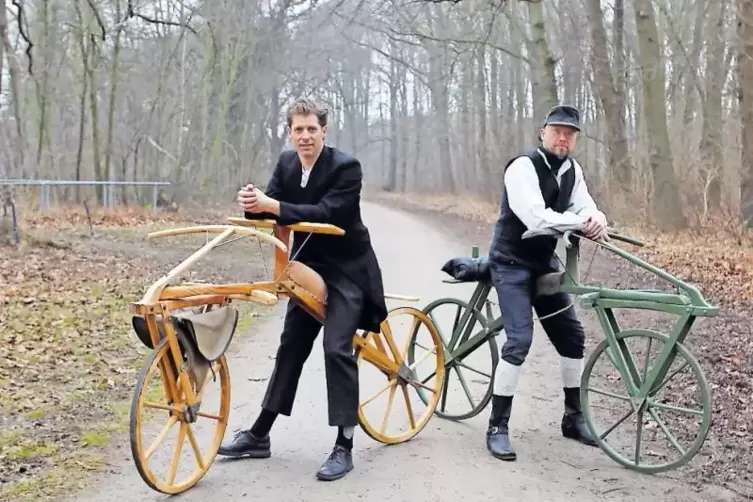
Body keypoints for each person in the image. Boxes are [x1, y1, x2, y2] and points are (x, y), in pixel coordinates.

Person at [218, 97, 388, 481]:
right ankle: (259, 435)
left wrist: (272, 204)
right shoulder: (287, 163)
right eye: (299, 130)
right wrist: (251, 204)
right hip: (309, 268)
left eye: (312, 129)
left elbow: (327, 213)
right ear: (290, 132)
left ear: (324, 131)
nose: (305, 136)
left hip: (348, 271)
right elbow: (270, 207)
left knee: (336, 348)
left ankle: (344, 446)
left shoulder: (346, 167)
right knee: (291, 345)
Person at [485, 104, 609, 461]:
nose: (563, 138)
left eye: (569, 134)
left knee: (572, 337)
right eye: (557, 131)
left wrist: (596, 218)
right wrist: (578, 222)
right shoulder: (521, 167)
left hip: (543, 264)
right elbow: (535, 218)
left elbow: (586, 206)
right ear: (543, 132)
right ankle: (498, 426)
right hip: (510, 263)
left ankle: (573, 418)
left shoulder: (572, 170)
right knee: (519, 340)